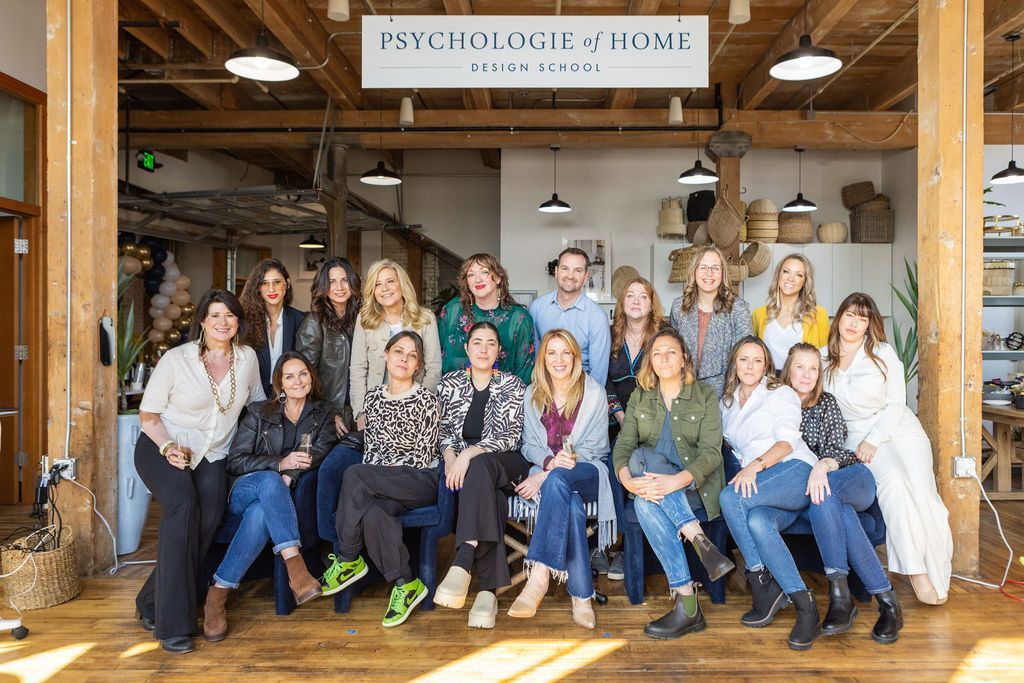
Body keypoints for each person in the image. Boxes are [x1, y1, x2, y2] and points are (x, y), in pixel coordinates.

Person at [134, 289, 264, 654]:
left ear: (238, 322)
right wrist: (167, 446)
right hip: (163, 446)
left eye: (230, 316)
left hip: (214, 454)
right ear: (203, 321)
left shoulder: (247, 358)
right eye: (215, 315)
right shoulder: (177, 360)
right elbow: (149, 415)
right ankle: (173, 626)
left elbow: (255, 407)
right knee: (183, 509)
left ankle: (149, 602)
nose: (223, 322)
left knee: (208, 523)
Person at [822, 292, 953, 606]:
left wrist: (876, 439)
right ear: (838, 317)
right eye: (850, 315)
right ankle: (917, 571)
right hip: (856, 435)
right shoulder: (822, 357)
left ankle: (940, 572)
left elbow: (897, 403)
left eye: (862, 318)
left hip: (900, 429)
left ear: (870, 325)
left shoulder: (883, 353)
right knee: (893, 483)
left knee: (925, 495)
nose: (854, 323)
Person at [203, 352, 337, 642]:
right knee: (268, 480)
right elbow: (235, 461)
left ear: (311, 379)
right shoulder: (258, 412)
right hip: (244, 490)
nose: (297, 381)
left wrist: (291, 475)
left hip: (269, 502)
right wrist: (281, 465)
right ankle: (296, 567)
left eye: (303, 374)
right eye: (289, 376)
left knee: (262, 513)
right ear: (279, 385)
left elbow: (320, 454)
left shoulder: (324, 414)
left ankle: (218, 594)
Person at [611, 328, 732, 639]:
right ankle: (699, 544)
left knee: (644, 488)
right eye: (657, 353)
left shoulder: (704, 395)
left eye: (671, 352)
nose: (663, 358)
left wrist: (676, 481)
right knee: (640, 469)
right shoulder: (640, 396)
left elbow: (710, 453)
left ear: (684, 359)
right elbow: (623, 447)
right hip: (654, 491)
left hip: (693, 490)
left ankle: (688, 606)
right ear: (650, 362)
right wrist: (630, 483)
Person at [781, 343, 903, 644]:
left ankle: (842, 601)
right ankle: (887, 602)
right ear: (788, 369)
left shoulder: (826, 403)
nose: (807, 374)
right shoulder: (775, 404)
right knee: (834, 507)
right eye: (800, 367)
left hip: (851, 477)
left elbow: (838, 449)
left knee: (826, 492)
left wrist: (823, 465)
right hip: (819, 494)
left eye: (813, 368)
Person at [320, 331, 441, 628]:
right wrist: (377, 480)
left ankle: (348, 558)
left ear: (418, 365)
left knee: (356, 474)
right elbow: (372, 450)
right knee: (374, 513)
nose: (404, 358)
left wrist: (377, 477)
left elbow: (422, 455)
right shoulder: (372, 398)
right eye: (398, 351)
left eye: (412, 355)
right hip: (381, 483)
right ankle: (406, 583)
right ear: (385, 355)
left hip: (420, 479)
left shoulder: (427, 400)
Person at [506, 329, 616, 630]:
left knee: (556, 481)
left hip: (589, 472)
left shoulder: (593, 393)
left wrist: (548, 472)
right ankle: (582, 595)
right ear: (543, 358)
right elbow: (527, 444)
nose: (559, 359)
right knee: (569, 504)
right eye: (551, 353)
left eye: (565, 352)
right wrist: (549, 466)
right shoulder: (533, 394)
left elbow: (597, 447)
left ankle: (539, 573)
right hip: (555, 480)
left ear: (575, 358)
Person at [718, 336, 821, 651]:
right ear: (735, 363)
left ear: (766, 366)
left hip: (794, 471)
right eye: (744, 359)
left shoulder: (781, 393)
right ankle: (806, 607)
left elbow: (788, 442)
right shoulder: (727, 402)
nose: (750, 366)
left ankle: (760, 582)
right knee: (759, 523)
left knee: (729, 497)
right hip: (763, 484)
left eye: (757, 360)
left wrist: (756, 466)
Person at [432, 322, 530, 629]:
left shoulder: (513, 385)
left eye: (490, 343)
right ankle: (488, 592)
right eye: (477, 342)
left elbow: (511, 436)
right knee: (492, 498)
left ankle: (464, 559)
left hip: (507, 463)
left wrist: (468, 454)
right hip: (475, 477)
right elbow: (442, 431)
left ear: (499, 351)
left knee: (480, 467)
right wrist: (450, 455)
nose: (483, 349)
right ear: (467, 348)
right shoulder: (448, 384)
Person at [597, 276, 669, 579]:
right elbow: (606, 381)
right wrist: (621, 416)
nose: (637, 300)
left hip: (655, 418)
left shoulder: (664, 334)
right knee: (612, 462)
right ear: (622, 303)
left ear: (651, 303)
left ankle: (630, 548)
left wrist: (640, 422)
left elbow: (669, 379)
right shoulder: (611, 335)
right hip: (617, 420)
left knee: (643, 463)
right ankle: (609, 544)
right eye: (630, 295)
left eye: (643, 295)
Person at [349, 259, 442, 430]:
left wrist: (419, 405)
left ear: (402, 284)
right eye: (377, 284)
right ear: (372, 290)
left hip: (414, 409)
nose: (384, 289)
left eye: (390, 281)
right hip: (374, 409)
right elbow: (358, 368)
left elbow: (434, 368)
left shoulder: (426, 319)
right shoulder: (364, 320)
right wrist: (361, 411)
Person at [437, 253, 535, 383]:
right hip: (452, 395)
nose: (477, 279)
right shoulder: (452, 310)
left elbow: (525, 370)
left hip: (503, 398)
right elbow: (435, 358)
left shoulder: (519, 318)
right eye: (471, 274)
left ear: (498, 278)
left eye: (484, 272)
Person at [670, 245, 753, 398]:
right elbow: (673, 351)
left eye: (715, 268)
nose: (709, 273)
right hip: (683, 390)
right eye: (703, 267)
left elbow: (746, 355)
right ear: (694, 271)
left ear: (723, 273)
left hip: (724, 393)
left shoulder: (738, 308)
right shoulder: (678, 306)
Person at [295, 256, 362, 436]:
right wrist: (327, 413)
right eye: (332, 282)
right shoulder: (314, 323)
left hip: (361, 412)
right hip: (332, 415)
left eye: (344, 280)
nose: (339, 288)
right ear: (323, 286)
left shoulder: (363, 319)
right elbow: (304, 377)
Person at [529, 248, 612, 386]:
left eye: (577, 270)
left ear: (586, 276)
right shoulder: (537, 308)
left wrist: (585, 402)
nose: (570, 275)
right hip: (545, 388)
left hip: (581, 390)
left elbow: (598, 373)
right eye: (565, 268)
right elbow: (535, 358)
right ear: (556, 271)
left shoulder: (597, 316)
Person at [239, 259, 306, 397]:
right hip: (255, 399)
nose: (271, 289)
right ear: (258, 288)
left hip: (291, 397)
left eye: (276, 282)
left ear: (286, 284)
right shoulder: (246, 322)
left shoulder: (301, 320)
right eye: (264, 283)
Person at [751, 254, 830, 368]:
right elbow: (753, 353)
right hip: (768, 381)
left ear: (804, 282)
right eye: (786, 271)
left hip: (802, 382)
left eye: (799, 275)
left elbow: (825, 356)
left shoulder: (818, 314)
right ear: (778, 275)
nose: (791, 279)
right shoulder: (759, 314)